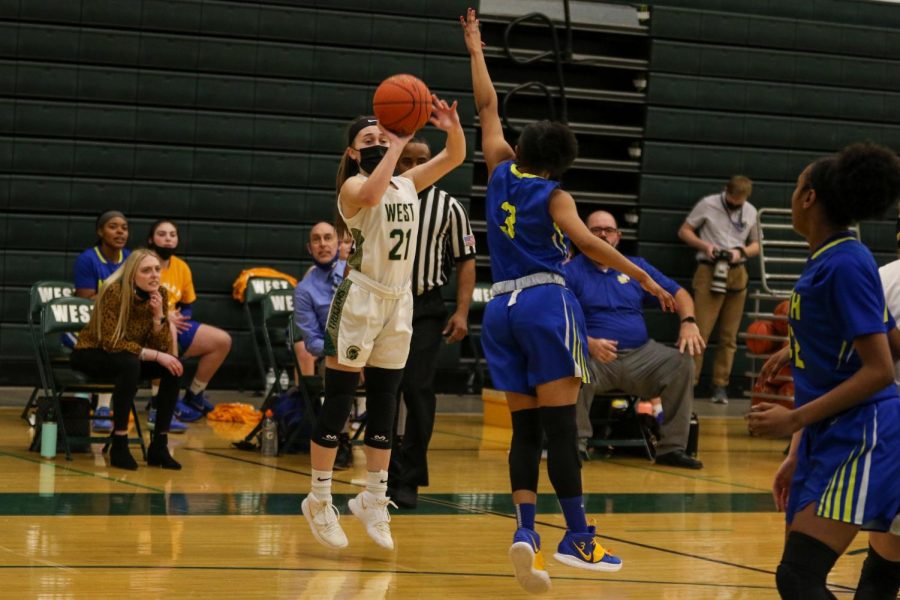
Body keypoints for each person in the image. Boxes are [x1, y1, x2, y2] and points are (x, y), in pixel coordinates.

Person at [462, 8, 676, 593]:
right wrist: (651, 281)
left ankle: (525, 531)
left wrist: (477, 47)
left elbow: (487, 108)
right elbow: (590, 246)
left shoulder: (501, 170)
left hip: (498, 311)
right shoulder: (556, 195)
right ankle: (577, 535)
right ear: (559, 163)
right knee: (561, 427)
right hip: (543, 305)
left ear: (523, 147)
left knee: (524, 431)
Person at [301, 101, 465, 552]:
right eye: (368, 141)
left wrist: (451, 128)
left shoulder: (408, 184)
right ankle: (318, 499)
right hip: (360, 300)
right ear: (354, 152)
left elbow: (455, 159)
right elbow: (373, 194)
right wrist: (393, 147)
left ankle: (374, 497)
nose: (379, 143)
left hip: (400, 302)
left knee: (386, 403)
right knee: (337, 403)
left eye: (383, 137)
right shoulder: (353, 186)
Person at [748, 142, 900, 600]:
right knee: (798, 574)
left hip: (862, 432)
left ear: (809, 197)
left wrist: (793, 419)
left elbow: (879, 369)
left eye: (796, 187)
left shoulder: (846, 262)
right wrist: (799, 349)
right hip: (830, 432)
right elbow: (888, 339)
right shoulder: (831, 258)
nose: (793, 196)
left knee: (798, 576)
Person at [567, 210, 705, 469]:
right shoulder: (571, 271)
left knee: (681, 363)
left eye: (608, 230)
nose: (603, 235)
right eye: (596, 230)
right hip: (594, 357)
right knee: (573, 363)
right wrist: (588, 342)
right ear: (583, 236)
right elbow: (556, 317)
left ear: (618, 237)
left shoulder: (636, 267)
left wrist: (688, 323)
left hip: (641, 357)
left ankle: (671, 449)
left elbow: (679, 293)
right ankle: (576, 445)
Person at [388, 136, 477, 509]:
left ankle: (409, 478)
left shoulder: (450, 207)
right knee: (385, 390)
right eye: (405, 160)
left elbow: (466, 260)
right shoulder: (384, 199)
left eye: (420, 159)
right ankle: (383, 474)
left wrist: (462, 311)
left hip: (425, 306)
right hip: (385, 302)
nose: (412, 166)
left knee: (416, 389)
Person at [70, 249, 184, 471]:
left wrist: (158, 318)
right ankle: (119, 444)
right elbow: (111, 343)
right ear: (132, 274)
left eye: (157, 269)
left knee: (173, 368)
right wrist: (156, 355)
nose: (154, 275)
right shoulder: (114, 291)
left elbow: (162, 347)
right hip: (92, 353)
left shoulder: (160, 294)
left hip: (128, 356)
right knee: (131, 363)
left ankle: (159, 445)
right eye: (146, 270)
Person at [678, 176, 760, 404]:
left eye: (740, 202)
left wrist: (740, 252)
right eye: (732, 201)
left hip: (736, 271)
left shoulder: (751, 211)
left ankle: (720, 385)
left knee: (729, 336)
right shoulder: (708, 203)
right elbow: (684, 231)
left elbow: (757, 244)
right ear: (726, 192)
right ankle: (690, 384)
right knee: (700, 332)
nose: (736, 205)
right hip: (709, 269)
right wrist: (707, 246)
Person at [147, 220, 232, 427]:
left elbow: (187, 305)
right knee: (169, 331)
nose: (168, 238)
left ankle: (194, 394)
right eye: (162, 234)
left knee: (222, 341)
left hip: (175, 325)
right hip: (148, 327)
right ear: (151, 240)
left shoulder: (181, 267)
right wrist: (166, 317)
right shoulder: (144, 264)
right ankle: (161, 403)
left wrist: (179, 318)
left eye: (172, 234)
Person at [292, 221, 350, 468]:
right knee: (334, 363)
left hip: (370, 346)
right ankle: (342, 439)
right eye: (316, 239)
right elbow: (312, 340)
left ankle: (392, 439)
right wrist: (334, 349)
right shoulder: (304, 289)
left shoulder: (357, 273)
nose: (323, 244)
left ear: (339, 244)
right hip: (336, 354)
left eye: (328, 238)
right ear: (309, 248)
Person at [72, 210, 131, 433]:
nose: (120, 232)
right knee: (116, 342)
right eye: (113, 226)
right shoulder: (87, 259)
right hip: (86, 327)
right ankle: (103, 408)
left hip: (119, 326)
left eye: (124, 228)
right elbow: (86, 301)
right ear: (100, 231)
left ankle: (158, 406)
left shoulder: (131, 258)